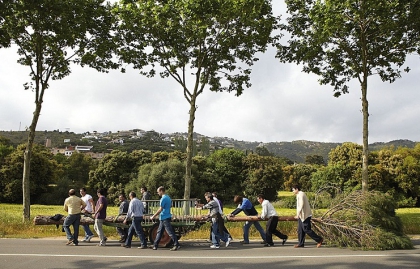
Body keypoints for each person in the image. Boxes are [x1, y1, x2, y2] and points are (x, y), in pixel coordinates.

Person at [150, 186, 181, 251]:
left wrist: (153, 216)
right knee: (159, 232)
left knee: (170, 232)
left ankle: (176, 244)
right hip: (165, 217)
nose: (158, 193)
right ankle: (155, 245)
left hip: (164, 217)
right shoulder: (168, 197)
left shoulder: (163, 198)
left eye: (158, 192)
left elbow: (160, 209)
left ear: (161, 191)